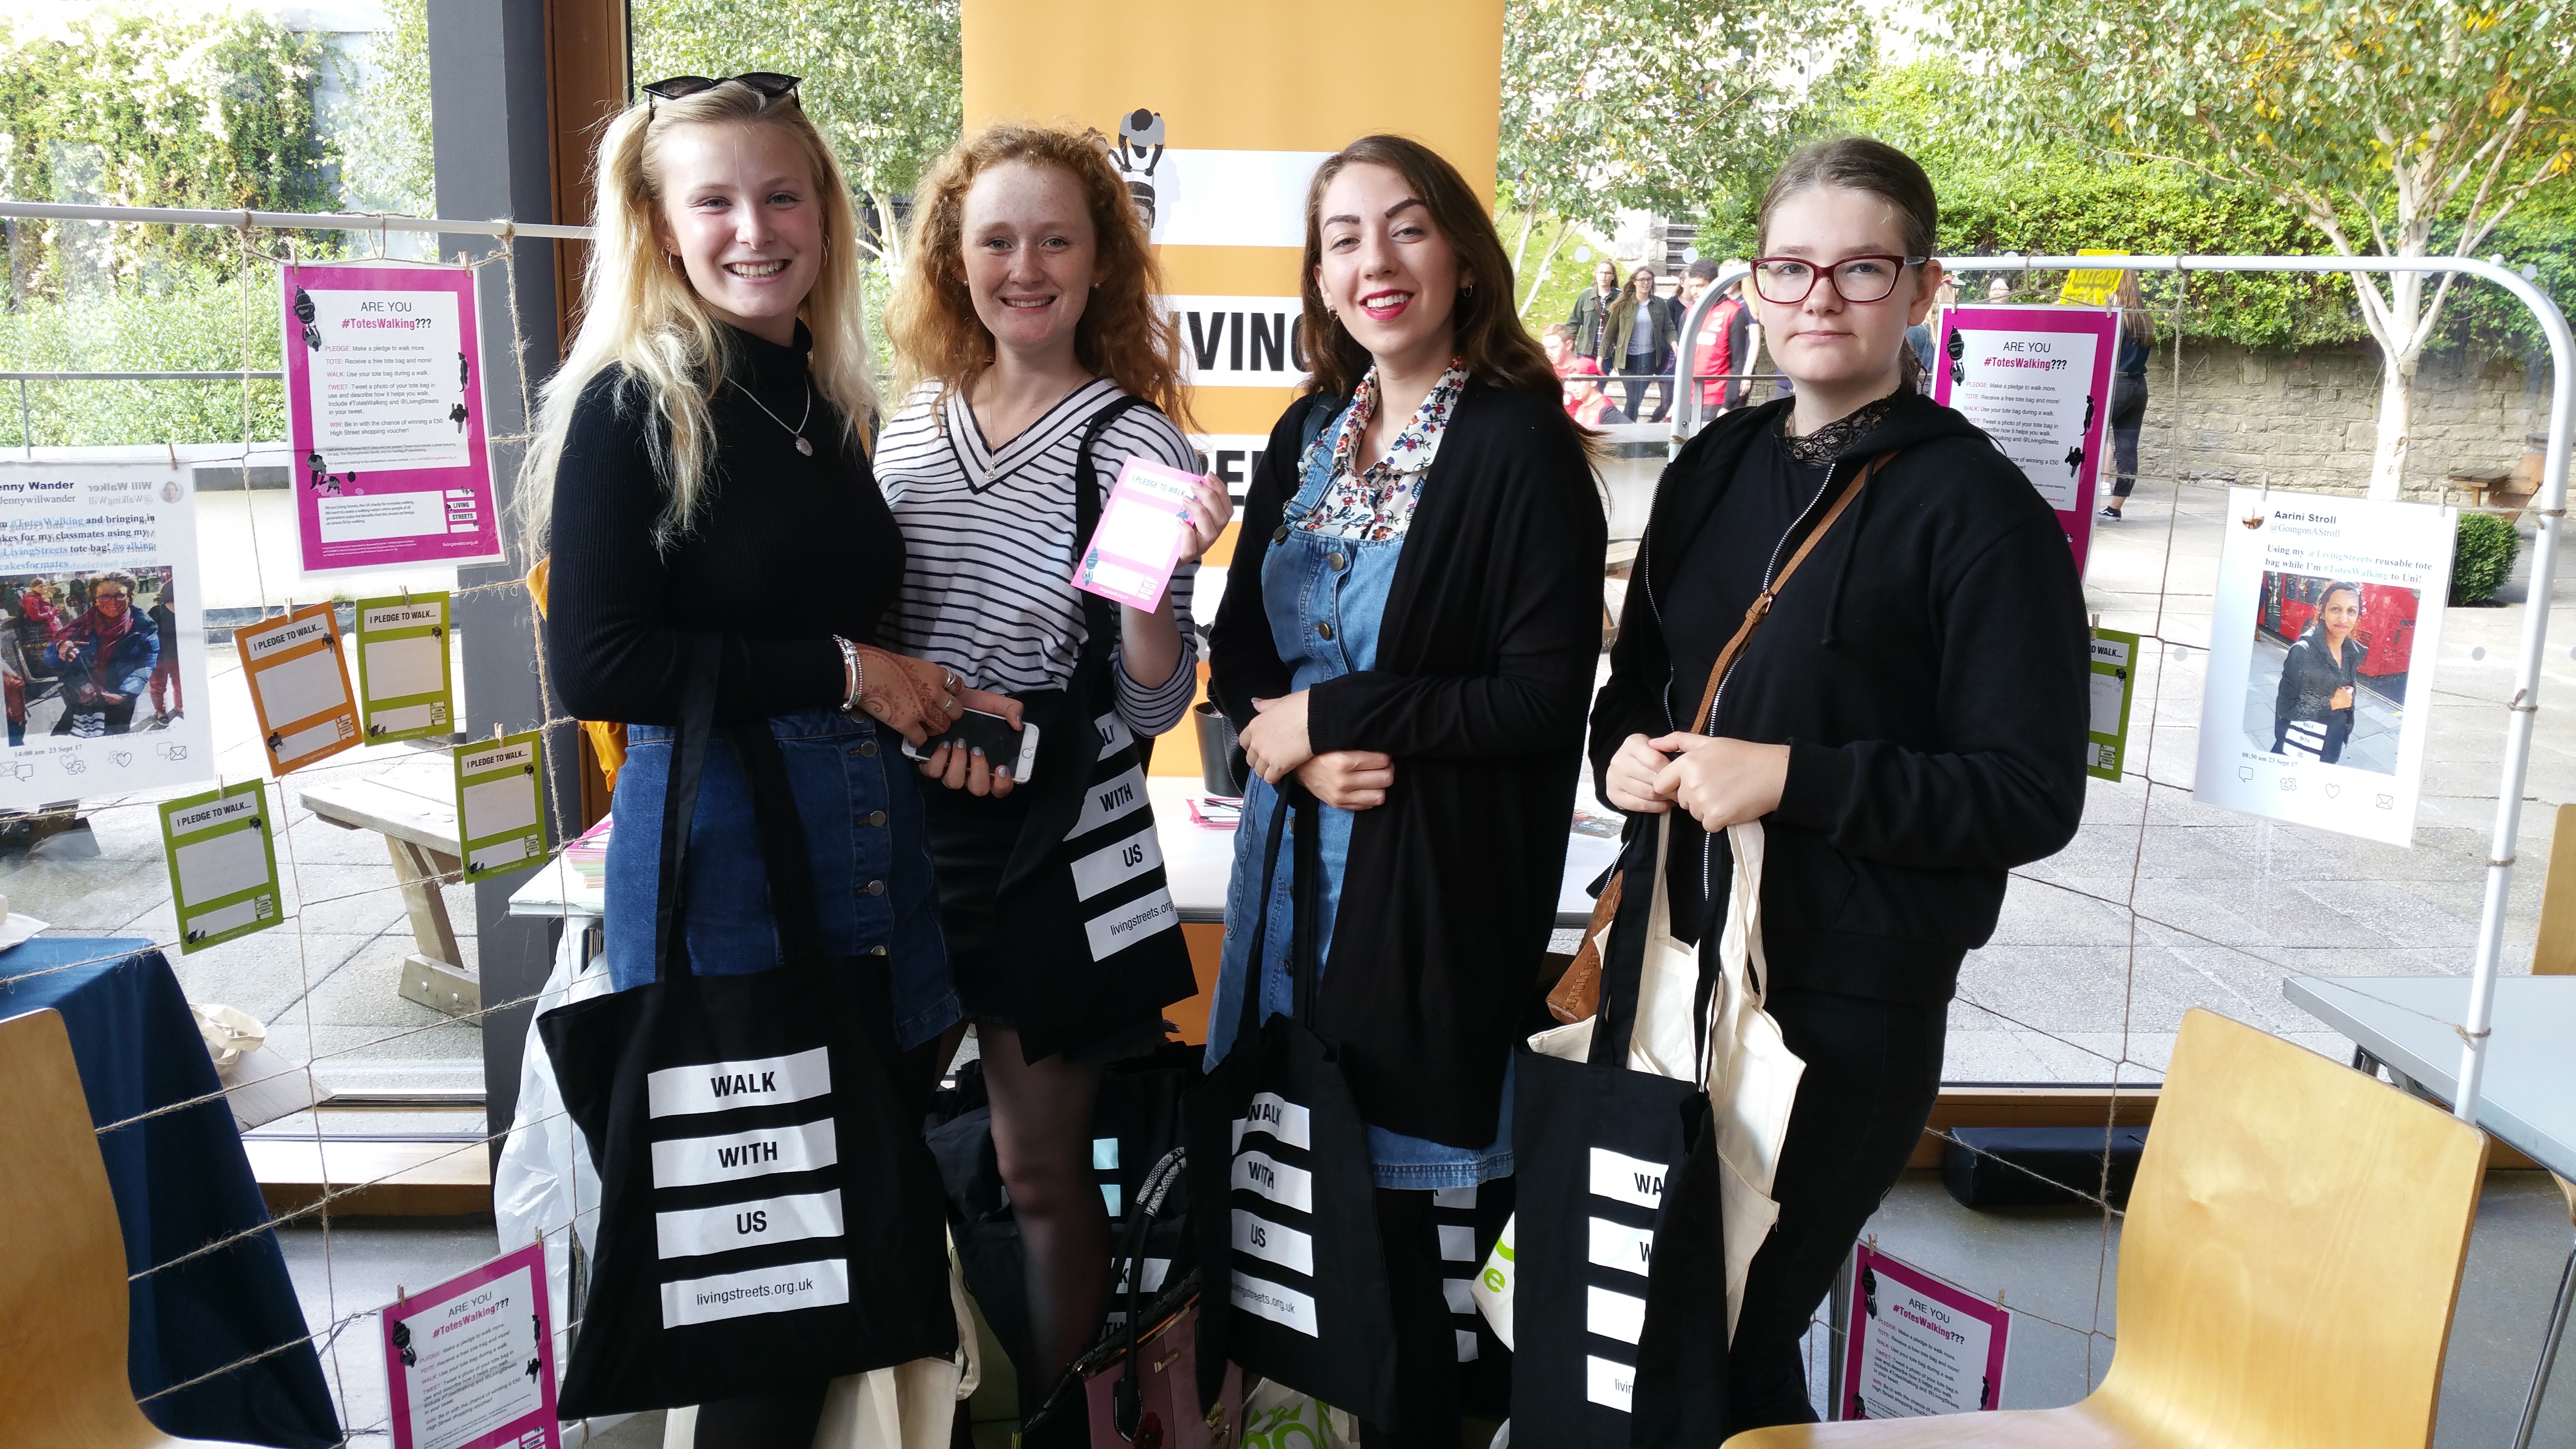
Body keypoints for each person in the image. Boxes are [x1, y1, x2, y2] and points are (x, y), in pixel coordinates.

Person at [1588, 137, 2089, 1433]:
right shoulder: (1713, 469)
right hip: (1671, 959)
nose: (1821, 296)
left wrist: (1793, 779)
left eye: (1861, 268)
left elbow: (2029, 792)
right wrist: (1626, 759)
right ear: (1753, 285)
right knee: (1644, 1318)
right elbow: (1634, 688)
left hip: (1842, 1000)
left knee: (1739, 1326)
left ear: (1923, 290)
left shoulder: (1979, 512)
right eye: (1791, 267)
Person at [522, 73, 985, 1449]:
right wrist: (851, 671)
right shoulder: (629, 403)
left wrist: (931, 698)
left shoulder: (820, 399)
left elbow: (822, 621)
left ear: (829, 218)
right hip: (727, 857)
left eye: (783, 194)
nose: (753, 228)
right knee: (767, 1284)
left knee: (860, 1237)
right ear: (660, 226)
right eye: (713, 199)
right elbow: (600, 666)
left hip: (868, 845)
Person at [1208, 133, 1606, 1447]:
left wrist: (1340, 713)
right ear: (1318, 275)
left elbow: (1543, 698)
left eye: (1408, 228)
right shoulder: (1310, 433)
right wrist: (1298, 744)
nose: (1375, 262)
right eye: (1343, 238)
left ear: (1463, 258)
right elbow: (1241, 665)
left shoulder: (1517, 446)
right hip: (1289, 889)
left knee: (1415, 1247)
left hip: (1428, 898)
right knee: (1308, 1230)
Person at [874, 122, 1229, 1406]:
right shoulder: (906, 429)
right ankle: (912, 1407)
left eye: (1055, 240)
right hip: (901, 839)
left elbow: (1152, 701)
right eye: (997, 239)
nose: (1026, 266)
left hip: (1052, 850)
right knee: (879, 1142)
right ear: (955, 261)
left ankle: (1047, 1418)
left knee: (1040, 1171)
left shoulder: (1136, 447)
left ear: (1100, 265)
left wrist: (1161, 587)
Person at [45, 573, 155, 737]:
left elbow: (147, 663)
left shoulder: (144, 626)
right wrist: (60, 648)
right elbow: (50, 661)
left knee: (115, 742)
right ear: (95, 600)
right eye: (105, 597)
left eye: (119, 595)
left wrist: (124, 695)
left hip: (119, 701)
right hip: (81, 699)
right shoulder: (83, 625)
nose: (113, 602)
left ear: (130, 598)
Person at [2271, 581, 2363, 763]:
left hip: (2331, 746)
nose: (2344, 619)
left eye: (2351, 611)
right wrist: (2330, 704)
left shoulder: (2351, 652)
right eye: (2336, 609)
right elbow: (2285, 708)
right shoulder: (2303, 652)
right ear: (2323, 611)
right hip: (2301, 750)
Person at [2099, 272, 2153, 519]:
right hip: (2139, 386)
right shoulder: (2144, 317)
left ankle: (2078, 499)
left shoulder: (2115, 315)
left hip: (2116, 385)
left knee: (2085, 438)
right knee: (2128, 449)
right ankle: (2115, 508)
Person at [1605, 263, 1680, 422]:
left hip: (1648, 359)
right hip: (1627, 360)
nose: (1646, 283)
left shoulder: (1659, 303)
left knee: (1636, 399)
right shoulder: (1624, 304)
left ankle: (1628, 429)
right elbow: (1610, 332)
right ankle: (1627, 430)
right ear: (1634, 282)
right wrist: (1601, 357)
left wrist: (1674, 343)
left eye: (1649, 280)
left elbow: (1669, 328)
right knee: (1633, 399)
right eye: (1642, 280)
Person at [1568, 256, 1621, 363]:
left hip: (1608, 353)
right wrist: (1570, 347)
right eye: (1601, 273)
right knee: (1585, 379)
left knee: (1602, 379)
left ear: (1613, 277)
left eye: (1607, 273)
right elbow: (1574, 322)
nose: (1604, 276)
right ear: (1596, 275)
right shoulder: (1586, 295)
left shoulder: (1620, 297)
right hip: (1586, 351)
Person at [146, 585, 181, 724]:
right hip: (158, 658)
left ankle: (180, 707)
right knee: (158, 686)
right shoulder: (156, 613)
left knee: (180, 684)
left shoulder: (185, 614)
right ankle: (160, 711)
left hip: (178, 657)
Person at [1562, 354, 1628, 426]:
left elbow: (1633, 430)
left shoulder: (1605, 410)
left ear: (1594, 381)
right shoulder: (1581, 408)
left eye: (1578, 381)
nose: (1573, 388)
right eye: (1572, 382)